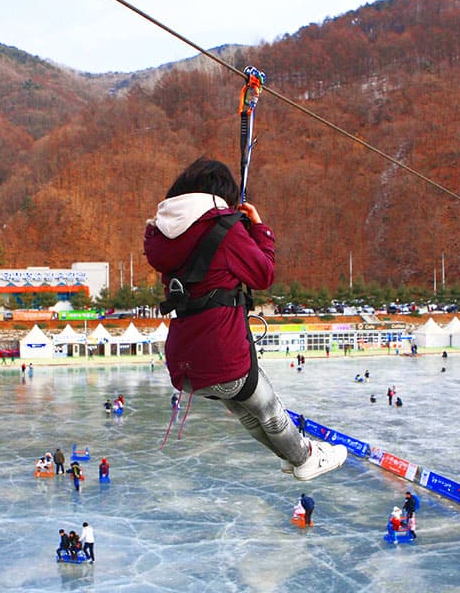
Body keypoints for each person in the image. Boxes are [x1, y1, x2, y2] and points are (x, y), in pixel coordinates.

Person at [143, 158, 347, 481]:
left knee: (247, 412)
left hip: (186, 366)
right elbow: (263, 273)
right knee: (268, 410)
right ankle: (305, 458)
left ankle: (289, 454)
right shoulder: (224, 230)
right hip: (225, 355)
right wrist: (259, 230)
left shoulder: (162, 236)